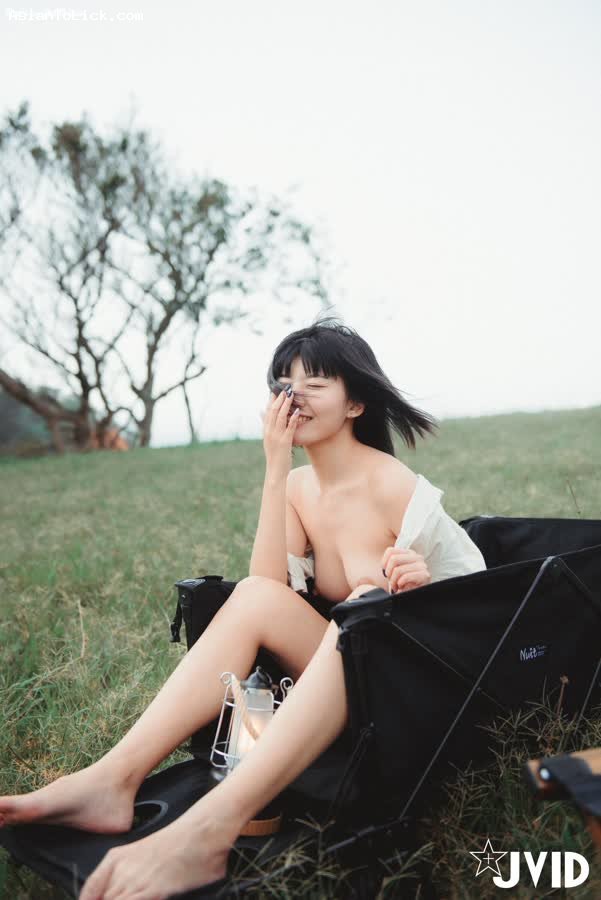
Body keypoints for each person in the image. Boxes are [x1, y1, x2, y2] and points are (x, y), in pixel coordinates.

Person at [0, 315, 486, 899]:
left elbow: (480, 604)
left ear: (356, 403)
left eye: (314, 384)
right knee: (258, 595)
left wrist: (421, 586)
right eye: (284, 384)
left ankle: (210, 829)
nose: (293, 396)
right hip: (350, 670)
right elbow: (265, 590)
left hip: (422, 683)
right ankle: (112, 779)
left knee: (364, 602)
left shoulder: (394, 484)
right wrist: (276, 467)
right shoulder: (301, 489)